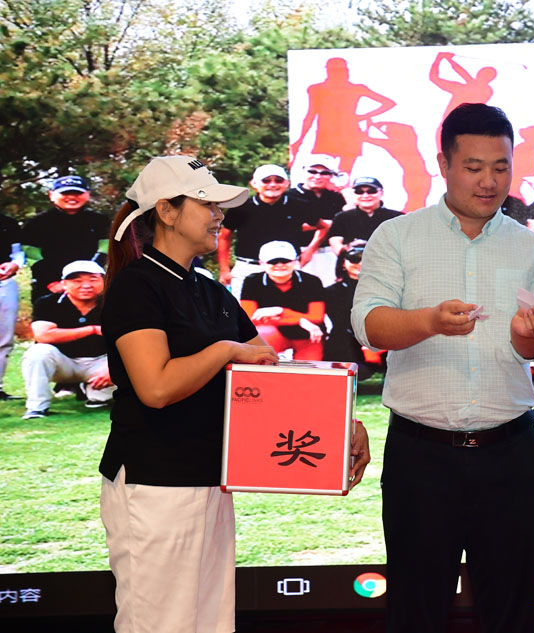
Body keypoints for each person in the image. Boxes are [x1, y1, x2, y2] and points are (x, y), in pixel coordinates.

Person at [97, 155, 370, 633]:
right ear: (166, 211)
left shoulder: (210, 291)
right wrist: (226, 350)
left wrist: (340, 424)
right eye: (208, 204)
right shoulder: (138, 286)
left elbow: (271, 372)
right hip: (155, 481)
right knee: (160, 623)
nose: (219, 215)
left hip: (210, 478)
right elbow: (156, 387)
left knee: (211, 621)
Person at [351, 103, 534, 633]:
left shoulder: (532, 247)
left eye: (501, 167)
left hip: (509, 453)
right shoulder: (397, 236)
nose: (489, 181)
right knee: (416, 610)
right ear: (443, 164)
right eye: (474, 167)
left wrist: (528, 333)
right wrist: (429, 321)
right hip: (421, 457)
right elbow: (368, 325)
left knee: (512, 612)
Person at [21, 260, 114, 419]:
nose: (86, 285)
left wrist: (115, 368)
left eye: (93, 279)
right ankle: (37, 407)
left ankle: (96, 395)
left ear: (104, 282)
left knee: (133, 363)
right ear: (64, 284)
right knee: (38, 352)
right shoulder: (47, 303)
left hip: (101, 362)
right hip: (63, 362)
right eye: (77, 281)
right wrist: (91, 329)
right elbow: (43, 335)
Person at [217, 164, 308, 298]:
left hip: (287, 268)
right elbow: (224, 237)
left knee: (292, 306)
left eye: (278, 180)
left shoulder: (299, 205)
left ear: (287, 183)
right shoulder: (240, 208)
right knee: (242, 309)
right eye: (266, 180)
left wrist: (310, 250)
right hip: (249, 268)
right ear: (254, 183)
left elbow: (321, 226)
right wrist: (224, 269)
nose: (273, 184)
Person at [21, 175, 111, 305]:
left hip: (89, 286)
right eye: (65, 193)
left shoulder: (100, 221)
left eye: (78, 193)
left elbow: (105, 249)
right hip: (50, 286)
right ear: (51, 195)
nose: (72, 197)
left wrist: (86, 280)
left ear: (88, 195)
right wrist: (52, 282)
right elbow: (32, 256)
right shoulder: (36, 223)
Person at [239, 240, 328, 361]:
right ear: (261, 263)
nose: (280, 265)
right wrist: (301, 320)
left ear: (295, 261)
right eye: (273, 261)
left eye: (285, 260)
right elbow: (250, 318)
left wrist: (280, 311)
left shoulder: (312, 281)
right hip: (273, 334)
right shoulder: (252, 282)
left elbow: (317, 317)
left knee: (309, 369)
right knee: (261, 337)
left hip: (307, 335)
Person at [323, 242, 385, 380]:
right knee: (357, 372)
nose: (360, 263)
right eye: (354, 259)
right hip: (346, 342)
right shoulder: (331, 292)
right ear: (343, 263)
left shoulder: (386, 288)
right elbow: (342, 322)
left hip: (380, 340)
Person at [289, 154, 348, 284]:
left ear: (332, 175)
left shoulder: (336, 197)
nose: (317, 176)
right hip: (297, 253)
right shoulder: (289, 196)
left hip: (328, 254)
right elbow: (288, 226)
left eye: (324, 173)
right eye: (312, 171)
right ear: (304, 171)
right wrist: (327, 224)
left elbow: (342, 224)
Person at [326, 176, 402, 255]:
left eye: (371, 191)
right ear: (353, 194)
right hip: (352, 261)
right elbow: (336, 243)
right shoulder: (342, 218)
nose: (365, 196)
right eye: (359, 192)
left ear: (381, 193)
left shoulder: (398, 218)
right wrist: (348, 249)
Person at [0, 210, 23, 400]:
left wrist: (14, 264)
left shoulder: (8, 222)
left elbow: (18, 253)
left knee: (3, 339)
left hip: (4, 283)